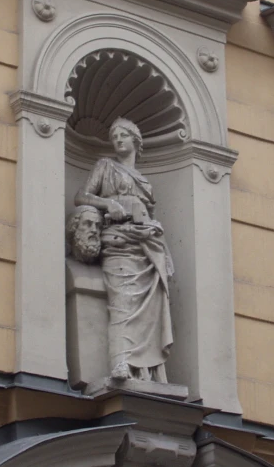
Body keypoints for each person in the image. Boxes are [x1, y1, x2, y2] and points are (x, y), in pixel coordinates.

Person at [74, 117, 174, 383]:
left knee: (149, 311)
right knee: (122, 303)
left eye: (123, 135)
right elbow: (81, 196)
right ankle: (120, 362)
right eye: (114, 136)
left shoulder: (144, 180)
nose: (117, 139)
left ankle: (147, 372)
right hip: (118, 242)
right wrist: (107, 205)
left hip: (145, 245)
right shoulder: (105, 166)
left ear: (135, 140)